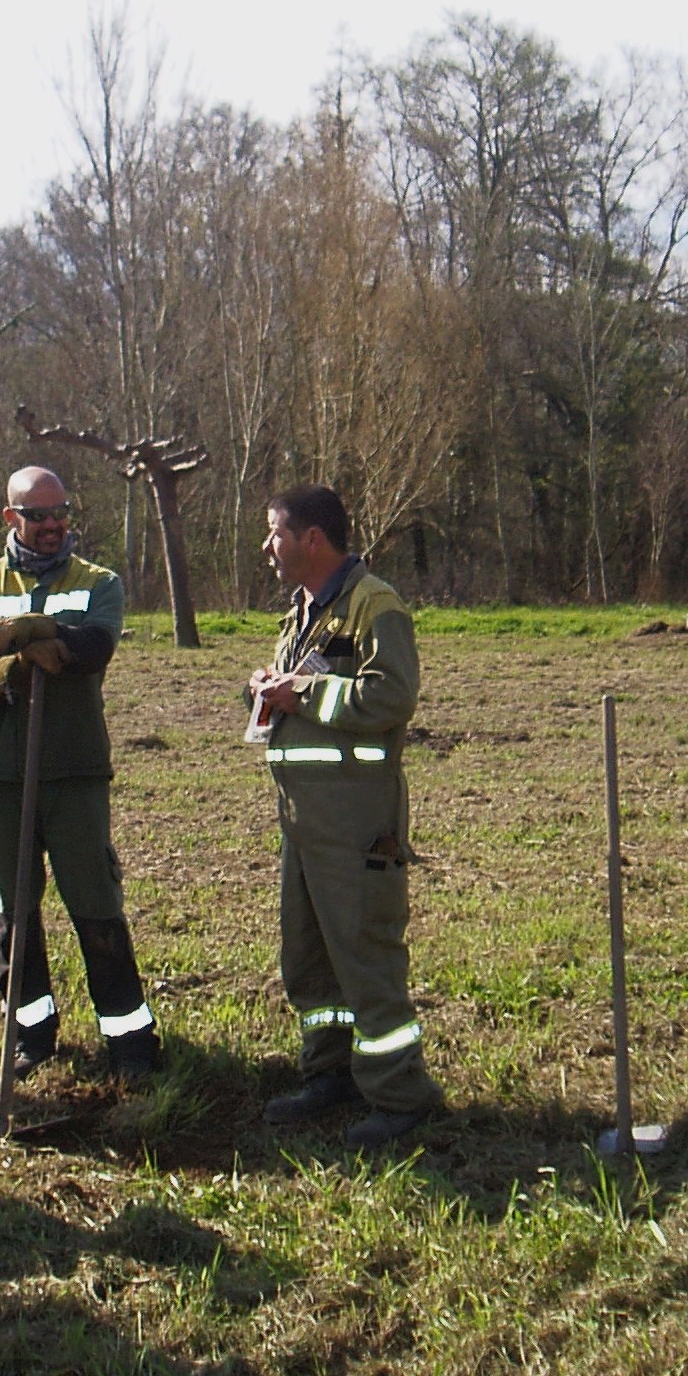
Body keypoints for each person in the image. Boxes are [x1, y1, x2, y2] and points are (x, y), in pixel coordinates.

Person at [248, 483, 444, 1150]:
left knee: (366, 957)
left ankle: (401, 1096)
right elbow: (298, 696)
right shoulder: (302, 610)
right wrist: (265, 692)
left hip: (357, 821)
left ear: (312, 539)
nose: (267, 546)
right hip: (303, 820)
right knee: (309, 960)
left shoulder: (374, 605)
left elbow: (392, 696)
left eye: (275, 533)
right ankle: (329, 1073)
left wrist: (302, 692)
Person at [0, 466, 160, 1086]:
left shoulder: (99, 582)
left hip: (74, 771)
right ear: (10, 518)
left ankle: (129, 1040)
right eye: (37, 515)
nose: (52, 525)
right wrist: (5, 673)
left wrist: (44, 632)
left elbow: (96, 646)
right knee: (14, 911)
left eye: (61, 512)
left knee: (96, 904)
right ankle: (31, 1034)